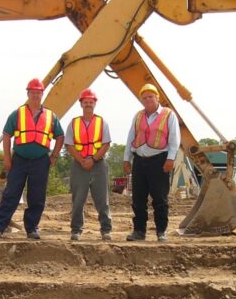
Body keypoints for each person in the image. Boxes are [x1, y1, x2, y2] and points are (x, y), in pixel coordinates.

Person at [0, 78, 64, 240]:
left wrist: (54, 155)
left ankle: (31, 229)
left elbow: (60, 136)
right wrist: (7, 158)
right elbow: (7, 135)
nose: (36, 95)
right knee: (11, 194)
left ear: (42, 94)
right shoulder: (17, 114)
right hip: (19, 160)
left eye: (38, 93)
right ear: (28, 94)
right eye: (33, 92)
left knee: (37, 196)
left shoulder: (51, 116)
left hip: (41, 161)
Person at [123, 83, 180, 242]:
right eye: (144, 97)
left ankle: (161, 231)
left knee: (160, 198)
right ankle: (139, 231)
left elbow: (174, 139)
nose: (147, 100)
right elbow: (131, 137)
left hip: (159, 161)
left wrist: (170, 158)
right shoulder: (138, 116)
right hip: (140, 161)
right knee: (138, 198)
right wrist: (126, 159)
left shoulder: (168, 115)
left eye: (150, 97)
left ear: (157, 98)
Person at [65, 88, 113, 241]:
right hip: (79, 164)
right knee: (78, 200)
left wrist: (93, 159)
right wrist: (82, 160)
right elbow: (69, 145)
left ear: (95, 104)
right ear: (81, 104)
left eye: (90, 102)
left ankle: (106, 230)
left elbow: (106, 144)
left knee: (102, 200)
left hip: (98, 164)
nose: (88, 104)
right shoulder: (74, 123)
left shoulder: (102, 122)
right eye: (85, 102)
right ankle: (76, 230)